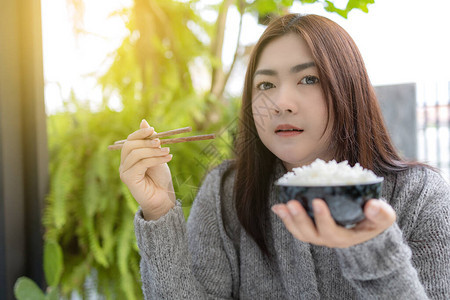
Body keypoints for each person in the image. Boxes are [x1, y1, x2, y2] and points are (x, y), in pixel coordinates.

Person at [119, 14, 450, 299]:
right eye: (265, 85)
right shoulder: (226, 192)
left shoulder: (419, 195)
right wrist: (158, 209)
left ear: (348, 87)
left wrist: (375, 250)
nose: (281, 103)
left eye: (309, 79)